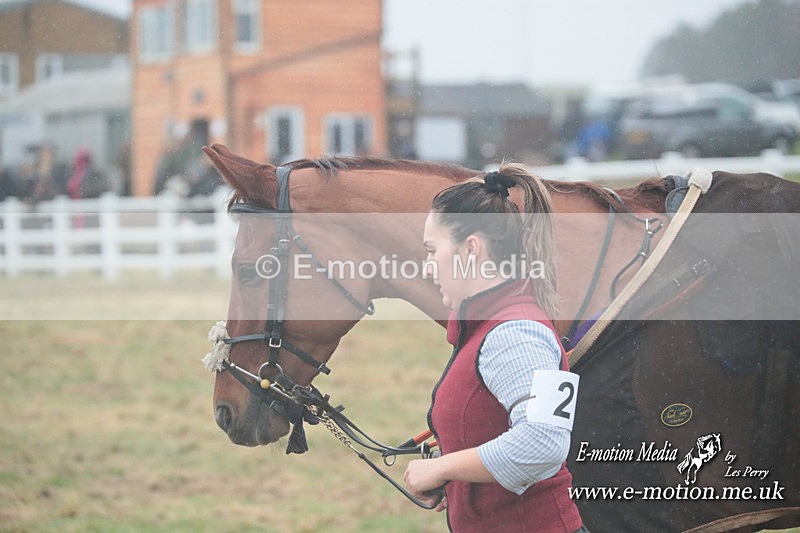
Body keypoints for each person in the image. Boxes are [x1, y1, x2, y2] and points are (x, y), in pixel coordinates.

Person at [404, 163, 586, 532]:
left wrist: (441, 467)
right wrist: (458, 476)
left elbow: (543, 444)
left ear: (471, 248)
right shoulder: (495, 324)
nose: (428, 267)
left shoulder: (515, 332)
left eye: (432, 251)